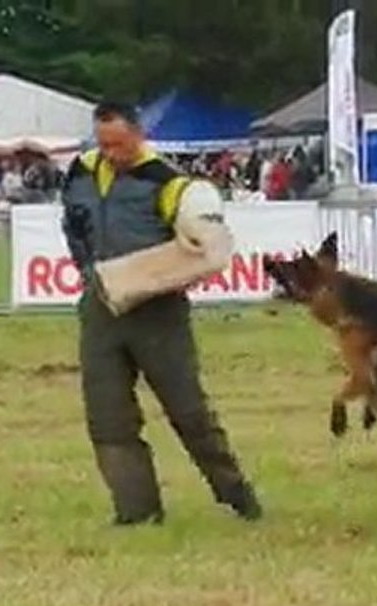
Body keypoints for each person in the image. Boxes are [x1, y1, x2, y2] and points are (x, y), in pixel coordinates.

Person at [60, 100, 263, 526]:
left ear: (139, 133)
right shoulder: (80, 172)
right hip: (100, 307)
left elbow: (201, 249)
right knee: (108, 416)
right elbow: (73, 225)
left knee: (188, 411)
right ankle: (136, 512)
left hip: (158, 312)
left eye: (119, 144)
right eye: (104, 144)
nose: (112, 154)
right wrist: (86, 271)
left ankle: (236, 495)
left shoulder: (168, 183)